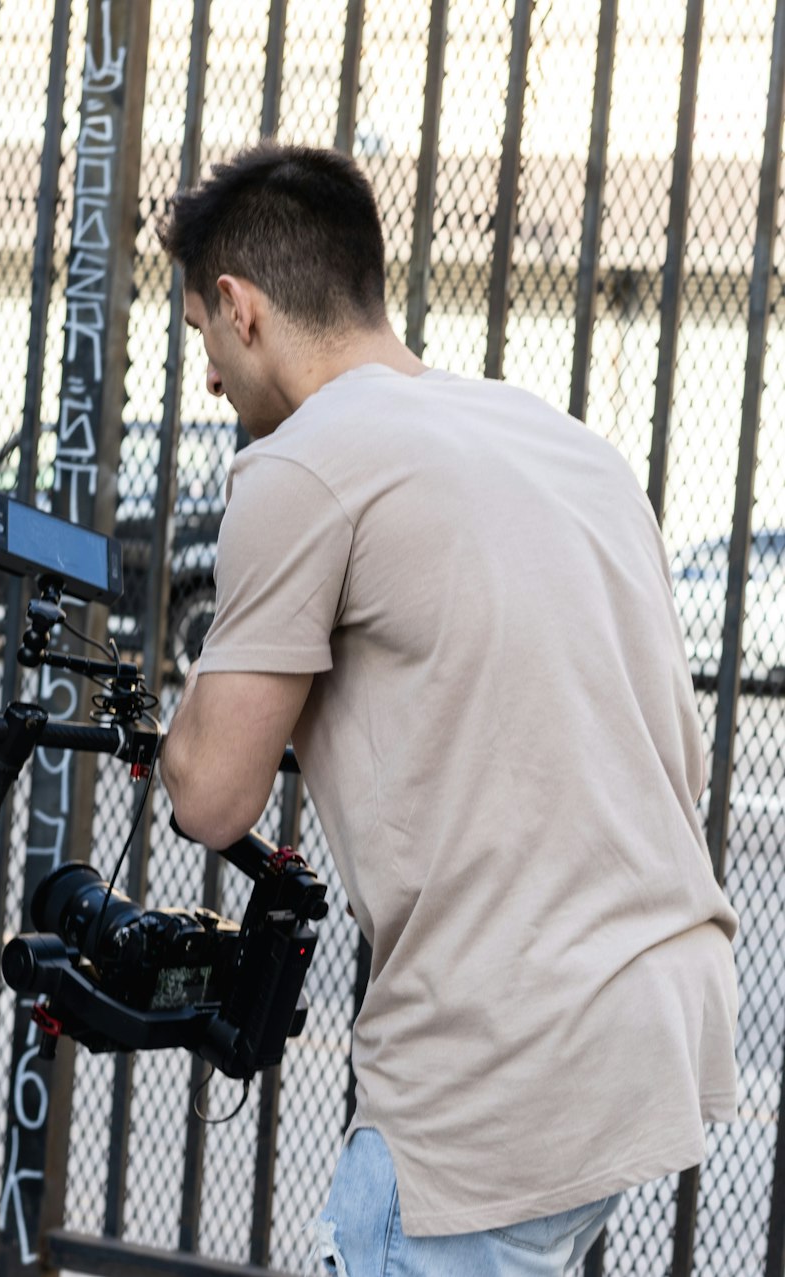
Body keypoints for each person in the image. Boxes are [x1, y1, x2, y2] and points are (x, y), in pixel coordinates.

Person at [157, 142, 738, 1276]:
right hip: (654, 1022)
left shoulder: (305, 462)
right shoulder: (566, 444)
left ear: (241, 307)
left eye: (200, 339)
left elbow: (213, 794)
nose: (213, 381)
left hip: (493, 1068)